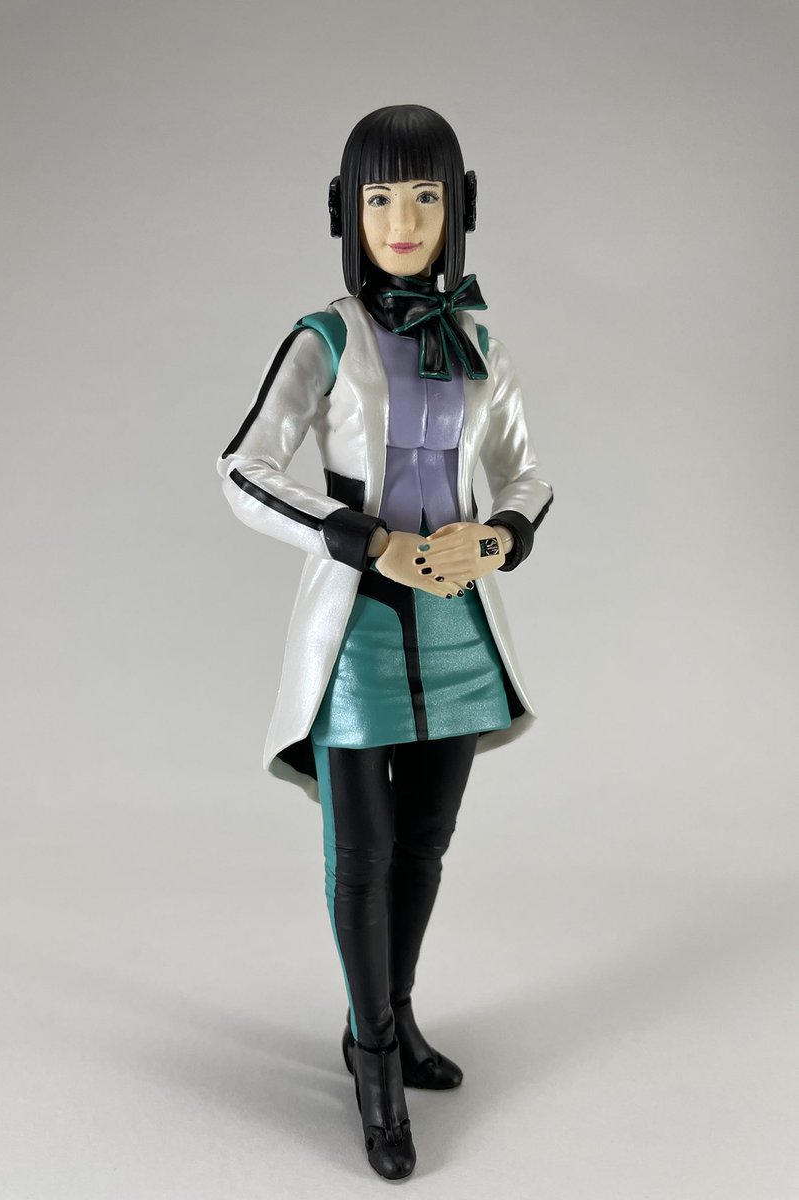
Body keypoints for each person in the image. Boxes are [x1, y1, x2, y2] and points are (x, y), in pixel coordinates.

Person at [218, 104, 552, 1181]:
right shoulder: (324, 338)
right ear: (344, 211)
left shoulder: (481, 340)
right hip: (358, 625)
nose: (402, 221)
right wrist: (363, 539)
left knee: (425, 843)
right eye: (378, 198)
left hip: (457, 622)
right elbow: (243, 468)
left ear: (460, 207)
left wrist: (496, 537)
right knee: (359, 853)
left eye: (424, 197)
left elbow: (528, 473)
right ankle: (371, 1062)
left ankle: (393, 1015)